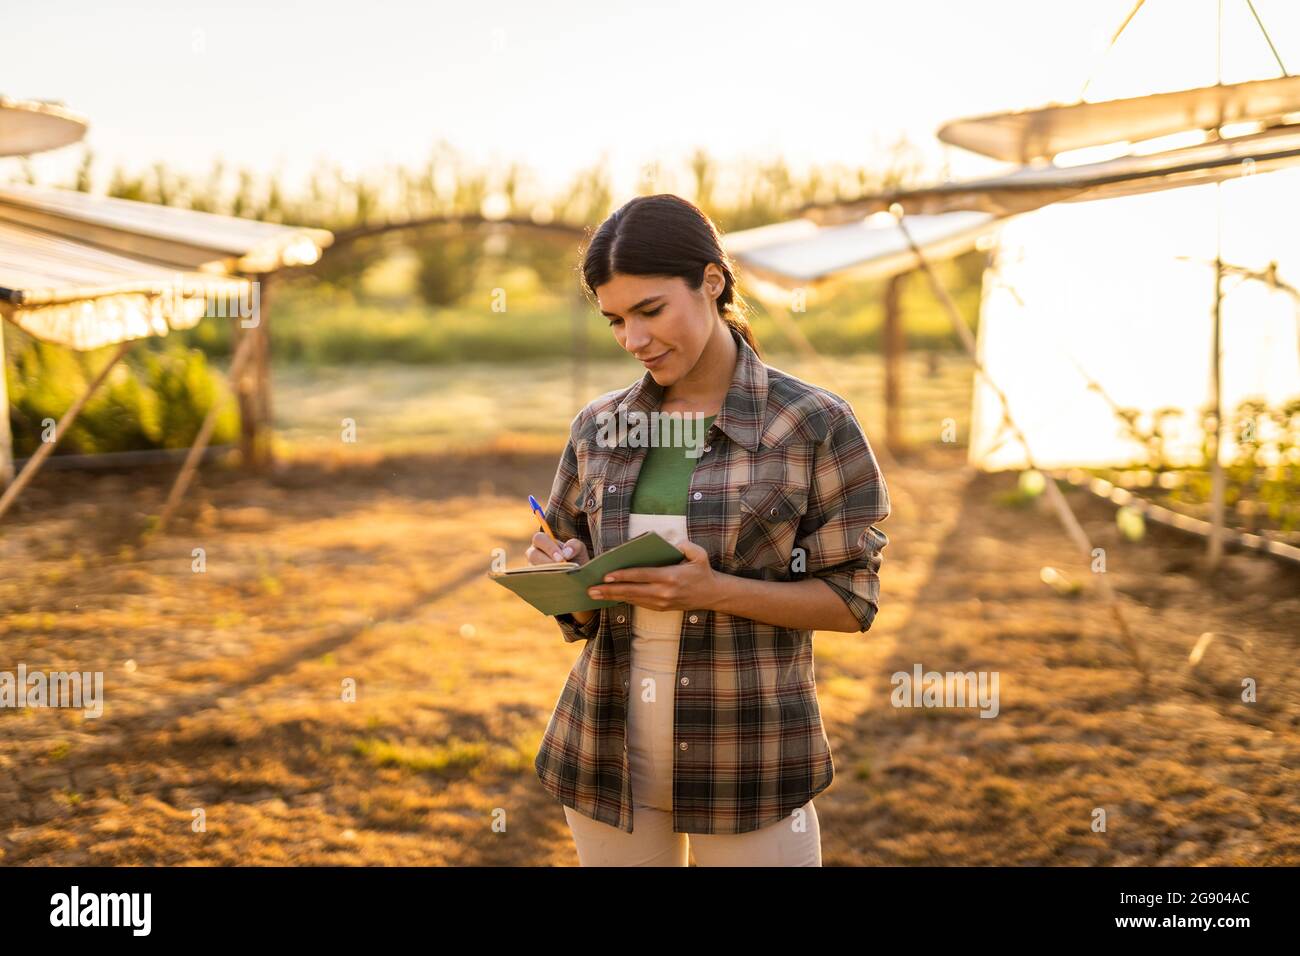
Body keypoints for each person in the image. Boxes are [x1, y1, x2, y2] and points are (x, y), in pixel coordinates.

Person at [526, 193, 891, 866]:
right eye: (614, 321)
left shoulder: (813, 424)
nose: (633, 340)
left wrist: (710, 590)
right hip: (605, 758)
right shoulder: (599, 426)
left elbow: (852, 601)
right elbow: (582, 610)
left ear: (712, 282)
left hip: (748, 763)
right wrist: (562, 576)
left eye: (650, 311)